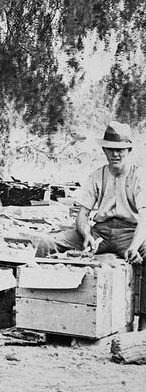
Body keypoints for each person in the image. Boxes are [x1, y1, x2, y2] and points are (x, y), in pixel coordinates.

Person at [38, 122, 146, 328]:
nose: (115, 155)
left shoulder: (140, 176)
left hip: (130, 232)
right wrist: (87, 235)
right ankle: (41, 306)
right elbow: (82, 215)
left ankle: (144, 325)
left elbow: (144, 217)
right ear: (104, 150)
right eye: (111, 150)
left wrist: (133, 246)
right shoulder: (97, 176)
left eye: (120, 150)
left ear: (129, 150)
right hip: (100, 232)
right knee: (47, 243)